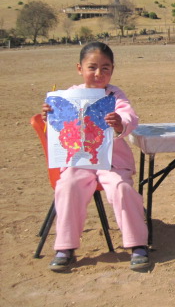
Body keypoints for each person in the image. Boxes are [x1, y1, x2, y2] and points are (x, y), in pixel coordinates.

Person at [41, 41, 148, 272]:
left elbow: (129, 117)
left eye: (105, 68)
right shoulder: (67, 96)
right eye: (92, 67)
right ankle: (65, 247)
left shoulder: (114, 95)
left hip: (112, 162)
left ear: (112, 69)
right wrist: (49, 115)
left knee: (121, 188)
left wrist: (119, 123)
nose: (99, 73)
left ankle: (137, 243)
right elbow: (57, 129)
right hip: (78, 162)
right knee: (68, 186)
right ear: (80, 68)